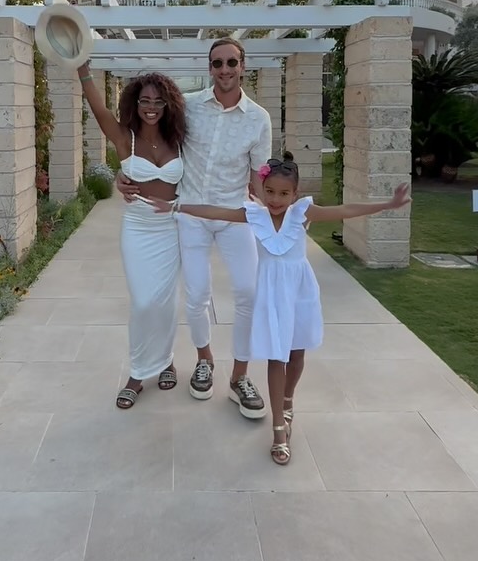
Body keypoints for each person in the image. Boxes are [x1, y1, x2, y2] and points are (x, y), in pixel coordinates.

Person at [148, 156, 411, 464]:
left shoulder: (303, 213)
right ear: (262, 189)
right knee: (277, 356)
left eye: (284, 193)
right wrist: (177, 207)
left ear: (295, 194)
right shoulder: (255, 215)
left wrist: (387, 205)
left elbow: (344, 210)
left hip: (300, 292)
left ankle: (288, 401)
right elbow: (216, 211)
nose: (275, 199)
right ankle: (278, 431)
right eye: (270, 191)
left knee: (296, 354)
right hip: (272, 295)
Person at [117, 40, 273, 419]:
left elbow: (259, 178)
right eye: (217, 63)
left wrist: (273, 215)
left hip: (234, 214)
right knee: (197, 294)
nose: (225, 69)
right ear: (210, 67)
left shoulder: (259, 119)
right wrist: (123, 175)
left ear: (243, 65)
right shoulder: (186, 107)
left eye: (231, 62)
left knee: (249, 292)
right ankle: (205, 360)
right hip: (190, 214)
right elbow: (147, 135)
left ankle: (240, 377)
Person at [78, 62, 187, 409]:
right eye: (144, 101)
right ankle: (138, 373)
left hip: (171, 229)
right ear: (134, 103)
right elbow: (98, 109)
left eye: (158, 101)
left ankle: (166, 360)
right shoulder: (126, 137)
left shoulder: (180, 139)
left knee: (165, 302)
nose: (151, 107)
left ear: (168, 104)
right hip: (138, 227)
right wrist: (82, 70)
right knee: (142, 302)